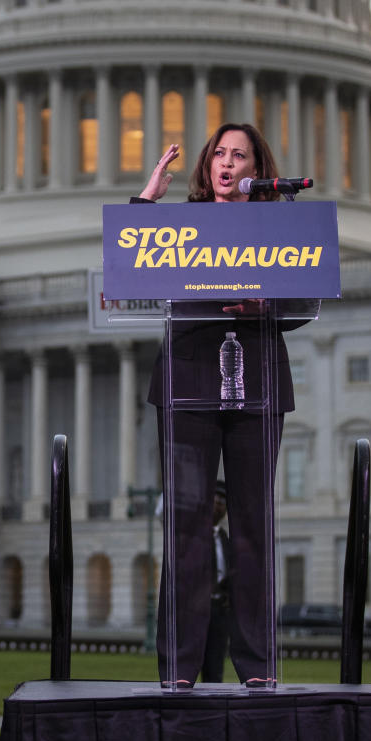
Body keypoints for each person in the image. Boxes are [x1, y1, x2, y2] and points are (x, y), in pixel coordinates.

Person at [134, 124, 312, 687]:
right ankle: (180, 668)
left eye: (239, 155)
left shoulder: (279, 226)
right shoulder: (177, 224)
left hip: (255, 379)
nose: (226, 164)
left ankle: (257, 668)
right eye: (219, 154)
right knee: (185, 528)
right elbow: (132, 266)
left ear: (258, 167)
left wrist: (264, 299)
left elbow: (306, 294)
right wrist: (146, 202)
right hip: (188, 379)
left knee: (253, 527)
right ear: (207, 165)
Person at [201, 481, 231, 684]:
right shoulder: (195, 535)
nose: (220, 505)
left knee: (215, 665)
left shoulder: (224, 537)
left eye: (224, 502)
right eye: (217, 499)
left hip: (219, 611)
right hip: (198, 610)